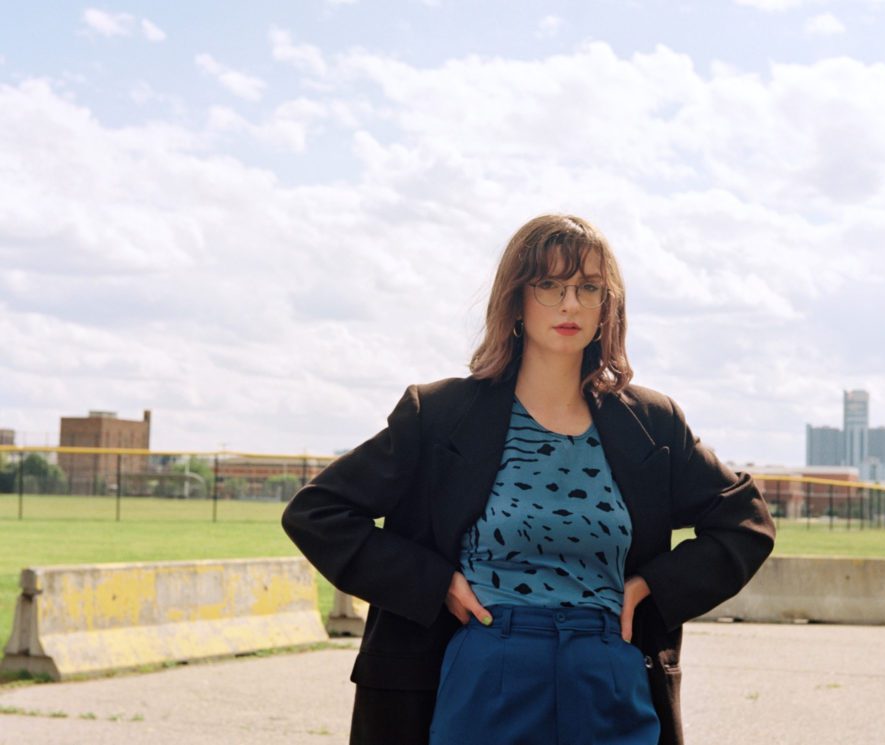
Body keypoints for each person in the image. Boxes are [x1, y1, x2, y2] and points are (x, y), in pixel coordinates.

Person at [282, 214, 775, 745]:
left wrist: (651, 586)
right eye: (549, 285)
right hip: (485, 669)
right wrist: (434, 584)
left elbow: (744, 525)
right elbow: (318, 513)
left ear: (608, 306)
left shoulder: (652, 424)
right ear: (516, 299)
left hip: (609, 673)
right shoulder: (441, 415)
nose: (570, 304)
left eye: (589, 288)